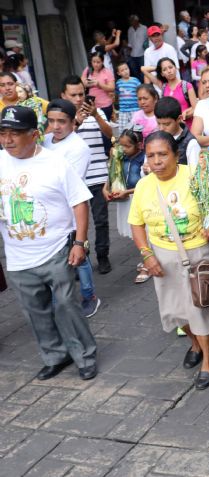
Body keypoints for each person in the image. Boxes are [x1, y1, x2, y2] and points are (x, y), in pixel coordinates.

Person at [129, 131, 209, 390]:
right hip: (162, 257)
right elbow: (136, 223)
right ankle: (195, 344)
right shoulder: (144, 185)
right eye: (151, 155)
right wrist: (146, 254)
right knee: (176, 311)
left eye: (163, 154)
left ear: (176, 155)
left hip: (198, 253)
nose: (156, 161)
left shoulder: (195, 175)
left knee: (200, 308)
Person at [0, 105, 98, 381]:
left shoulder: (55, 162)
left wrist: (80, 242)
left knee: (66, 305)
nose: (7, 140)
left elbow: (79, 201)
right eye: (3, 133)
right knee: (35, 311)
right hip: (18, 255)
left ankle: (85, 356)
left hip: (56, 249)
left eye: (14, 134)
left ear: (34, 134)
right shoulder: (0, 161)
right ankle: (55, 355)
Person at [43, 99, 101, 317]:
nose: (56, 126)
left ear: (72, 121)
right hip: (48, 213)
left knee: (79, 253)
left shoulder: (79, 148)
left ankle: (89, 296)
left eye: (62, 121)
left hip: (72, 210)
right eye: (51, 121)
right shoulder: (46, 140)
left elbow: (70, 185)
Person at [60, 75, 113, 275]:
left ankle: (103, 256)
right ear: (64, 95)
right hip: (74, 180)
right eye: (73, 94)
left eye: (81, 93)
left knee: (101, 220)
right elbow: (56, 141)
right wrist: (76, 123)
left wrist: (97, 116)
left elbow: (111, 135)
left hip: (99, 177)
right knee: (74, 223)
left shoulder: (96, 112)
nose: (79, 98)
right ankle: (79, 258)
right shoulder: (61, 119)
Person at [103, 130, 145, 283]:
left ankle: (148, 262)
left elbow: (146, 183)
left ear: (139, 145)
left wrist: (127, 191)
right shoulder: (119, 157)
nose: (123, 149)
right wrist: (105, 188)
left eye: (127, 146)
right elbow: (112, 173)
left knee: (143, 231)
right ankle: (147, 257)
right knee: (135, 232)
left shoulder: (143, 159)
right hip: (125, 199)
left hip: (138, 198)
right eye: (121, 145)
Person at [142, 58, 197, 130]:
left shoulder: (186, 85)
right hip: (169, 129)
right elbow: (143, 69)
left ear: (175, 68)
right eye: (165, 70)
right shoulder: (163, 86)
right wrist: (159, 68)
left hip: (187, 127)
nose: (169, 71)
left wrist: (185, 114)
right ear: (162, 73)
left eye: (171, 67)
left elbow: (196, 108)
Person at [155, 96, 200, 168]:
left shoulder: (191, 143)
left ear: (179, 119)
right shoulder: (155, 139)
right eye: (158, 123)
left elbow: (195, 173)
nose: (161, 128)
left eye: (167, 124)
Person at [82, 51, 116, 120]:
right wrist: (90, 83)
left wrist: (99, 84)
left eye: (98, 62)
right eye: (93, 62)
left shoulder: (107, 72)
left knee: (104, 126)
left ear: (102, 62)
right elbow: (82, 82)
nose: (95, 64)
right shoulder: (88, 70)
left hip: (105, 105)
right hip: (91, 105)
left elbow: (112, 88)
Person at [115, 62, 142, 134]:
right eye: (122, 70)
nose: (125, 71)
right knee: (123, 131)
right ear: (118, 73)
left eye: (126, 69)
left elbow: (141, 92)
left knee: (137, 130)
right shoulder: (118, 83)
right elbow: (117, 95)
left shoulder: (135, 81)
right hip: (123, 110)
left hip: (135, 109)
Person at [127, 15, 148, 79]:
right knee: (134, 72)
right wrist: (128, 53)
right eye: (130, 21)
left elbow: (148, 40)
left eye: (132, 21)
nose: (131, 22)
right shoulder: (130, 29)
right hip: (132, 55)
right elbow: (130, 43)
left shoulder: (144, 28)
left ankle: (143, 85)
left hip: (142, 54)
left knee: (143, 72)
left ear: (136, 21)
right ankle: (138, 84)